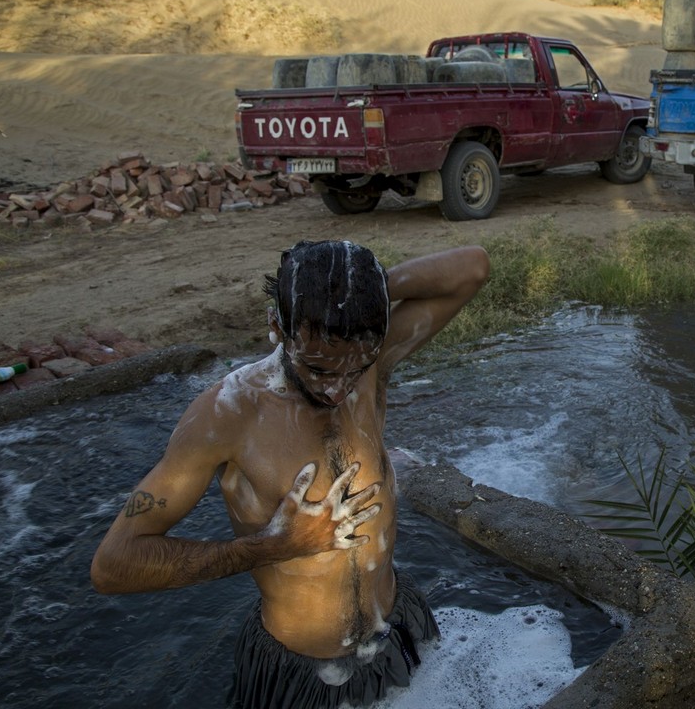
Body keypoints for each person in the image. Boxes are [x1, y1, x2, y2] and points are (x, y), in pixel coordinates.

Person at [91, 240, 490, 708]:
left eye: (355, 367)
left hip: (397, 628)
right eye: (318, 368)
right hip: (304, 673)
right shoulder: (229, 414)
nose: (339, 389)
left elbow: (473, 267)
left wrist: (365, 292)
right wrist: (276, 546)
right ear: (277, 326)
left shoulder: (369, 360)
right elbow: (113, 565)